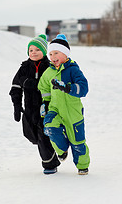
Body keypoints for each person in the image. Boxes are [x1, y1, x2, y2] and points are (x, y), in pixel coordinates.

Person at [38, 34, 90, 175]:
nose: (53, 56)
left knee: (77, 141)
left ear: (65, 54)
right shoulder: (48, 73)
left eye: (56, 53)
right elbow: (43, 88)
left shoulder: (73, 70)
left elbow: (83, 88)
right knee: (49, 126)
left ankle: (82, 165)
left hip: (73, 111)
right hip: (55, 108)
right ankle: (62, 150)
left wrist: (68, 88)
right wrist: (45, 103)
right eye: (50, 54)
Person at [9, 34, 60, 174]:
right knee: (30, 134)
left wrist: (34, 84)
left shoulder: (49, 67)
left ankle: (49, 164)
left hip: (45, 107)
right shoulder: (24, 68)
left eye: (37, 50)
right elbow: (15, 87)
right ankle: (54, 149)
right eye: (31, 50)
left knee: (43, 136)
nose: (33, 53)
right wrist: (17, 105)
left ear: (43, 52)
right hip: (29, 109)